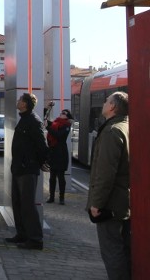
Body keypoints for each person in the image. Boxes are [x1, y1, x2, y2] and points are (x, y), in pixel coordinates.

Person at [86, 91, 130, 279]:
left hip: (110, 204)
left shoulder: (112, 131)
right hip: (124, 202)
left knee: (112, 253)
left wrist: (97, 204)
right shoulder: (127, 126)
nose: (103, 103)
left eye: (106, 101)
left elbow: (105, 173)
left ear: (112, 107)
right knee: (123, 251)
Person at [5, 92, 49, 250]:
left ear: (25, 104)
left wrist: (42, 162)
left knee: (28, 206)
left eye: (19, 100)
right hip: (18, 168)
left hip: (27, 169)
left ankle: (35, 239)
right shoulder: (24, 119)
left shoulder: (33, 121)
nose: (17, 101)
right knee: (17, 203)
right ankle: (22, 234)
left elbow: (41, 145)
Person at [45, 108, 73, 204]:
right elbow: (45, 120)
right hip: (53, 152)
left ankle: (62, 198)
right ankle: (51, 197)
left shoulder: (67, 125)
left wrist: (48, 127)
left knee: (61, 177)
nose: (62, 113)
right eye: (61, 112)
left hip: (61, 153)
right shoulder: (55, 123)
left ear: (67, 116)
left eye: (64, 113)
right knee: (52, 176)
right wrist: (48, 108)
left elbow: (59, 136)